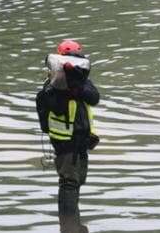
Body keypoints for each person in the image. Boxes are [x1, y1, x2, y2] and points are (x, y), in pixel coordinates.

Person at [36, 40, 100, 233]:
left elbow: (94, 98)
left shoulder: (81, 81)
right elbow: (54, 107)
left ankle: (72, 226)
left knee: (78, 180)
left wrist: (77, 86)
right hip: (65, 143)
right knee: (69, 183)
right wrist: (65, 88)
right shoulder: (52, 86)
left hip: (81, 141)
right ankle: (69, 226)